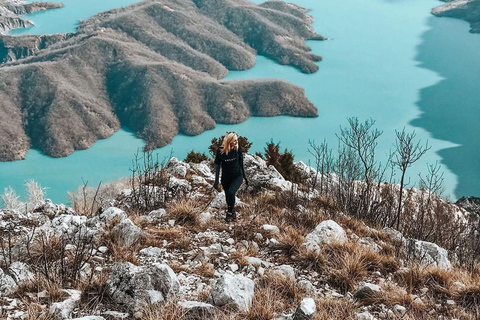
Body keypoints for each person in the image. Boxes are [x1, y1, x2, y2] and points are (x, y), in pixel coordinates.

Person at [213, 132, 248, 222]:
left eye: (237, 140)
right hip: (226, 178)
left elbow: (241, 163)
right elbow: (217, 166)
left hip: (237, 176)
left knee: (231, 192)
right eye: (234, 141)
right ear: (229, 141)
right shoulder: (220, 151)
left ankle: (229, 213)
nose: (236, 143)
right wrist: (216, 181)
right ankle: (233, 212)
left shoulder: (237, 149)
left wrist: (244, 177)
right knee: (228, 196)